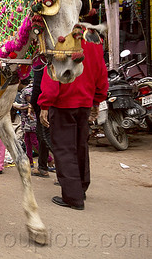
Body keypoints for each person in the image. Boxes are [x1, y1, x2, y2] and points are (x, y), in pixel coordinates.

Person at [38, 39, 108, 210]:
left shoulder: (59, 40)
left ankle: (72, 197)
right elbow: (101, 73)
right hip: (85, 102)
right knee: (80, 145)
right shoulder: (94, 42)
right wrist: (96, 101)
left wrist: (45, 105)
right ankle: (80, 188)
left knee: (64, 148)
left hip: (63, 103)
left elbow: (53, 75)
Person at [30, 62, 55, 177]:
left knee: (45, 136)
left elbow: (37, 87)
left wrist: (35, 105)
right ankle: (42, 167)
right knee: (43, 137)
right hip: (56, 103)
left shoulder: (42, 63)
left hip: (46, 104)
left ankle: (64, 172)